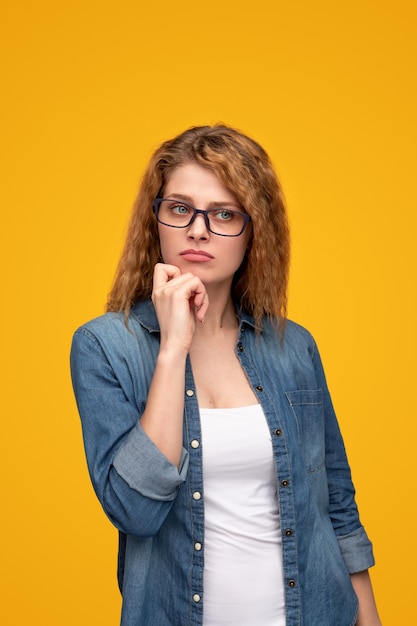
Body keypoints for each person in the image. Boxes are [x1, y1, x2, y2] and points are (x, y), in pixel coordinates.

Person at [70, 124, 382, 626]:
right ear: (156, 222)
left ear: (254, 231)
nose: (198, 229)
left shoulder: (293, 346)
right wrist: (173, 347)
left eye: (223, 214)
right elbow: (134, 511)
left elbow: (337, 505)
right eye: (180, 209)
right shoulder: (107, 347)